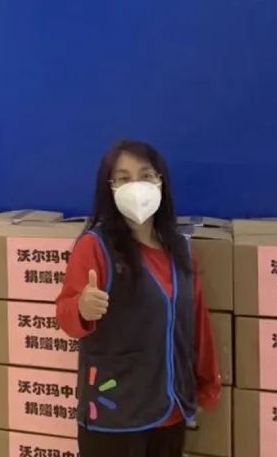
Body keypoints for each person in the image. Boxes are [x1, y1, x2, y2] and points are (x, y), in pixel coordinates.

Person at [55, 140, 221, 457]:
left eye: (145, 175)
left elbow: (197, 323)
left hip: (171, 409)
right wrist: (81, 307)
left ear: (161, 182)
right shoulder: (95, 246)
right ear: (109, 188)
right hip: (115, 416)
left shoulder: (180, 249)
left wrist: (206, 384)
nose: (136, 186)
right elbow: (65, 315)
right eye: (124, 178)